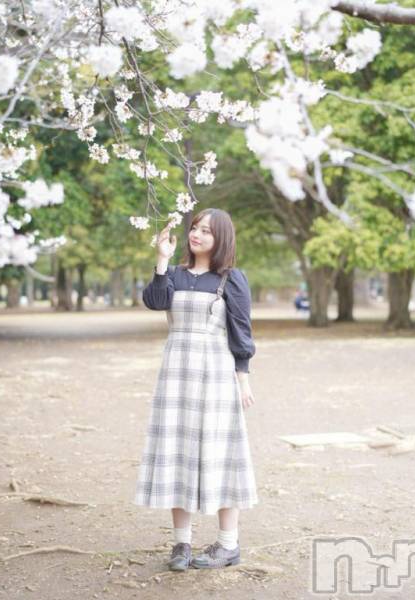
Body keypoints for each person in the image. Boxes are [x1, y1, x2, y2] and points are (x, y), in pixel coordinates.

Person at [133, 207, 258, 571]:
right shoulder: (173, 274)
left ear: (222, 239)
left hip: (215, 373)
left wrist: (243, 379)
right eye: (195, 228)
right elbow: (155, 301)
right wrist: (161, 259)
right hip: (176, 373)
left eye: (207, 231)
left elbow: (241, 331)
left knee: (222, 454)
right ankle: (181, 544)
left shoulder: (231, 279)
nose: (197, 234)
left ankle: (228, 544)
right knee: (177, 451)